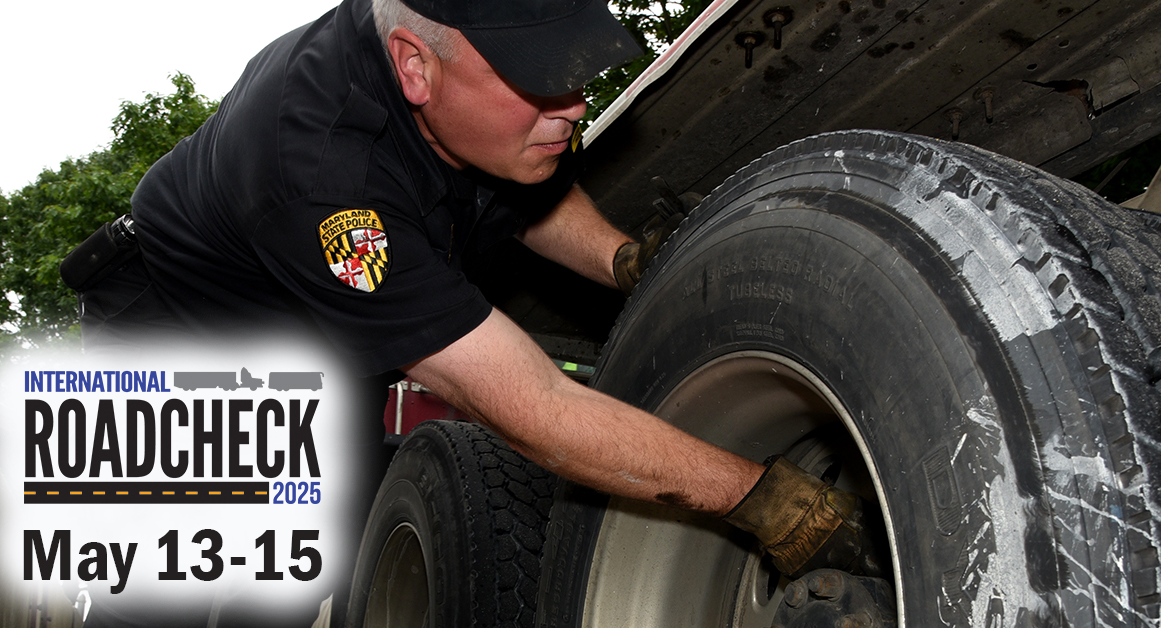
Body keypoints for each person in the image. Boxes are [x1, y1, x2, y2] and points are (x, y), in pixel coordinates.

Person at [64, 0, 881, 624]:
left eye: (575, 68)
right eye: (540, 78)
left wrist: (621, 260)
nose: (572, 103)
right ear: (413, 67)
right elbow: (535, 407)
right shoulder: (322, 175)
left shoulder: (456, 84)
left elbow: (523, 180)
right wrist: (769, 501)